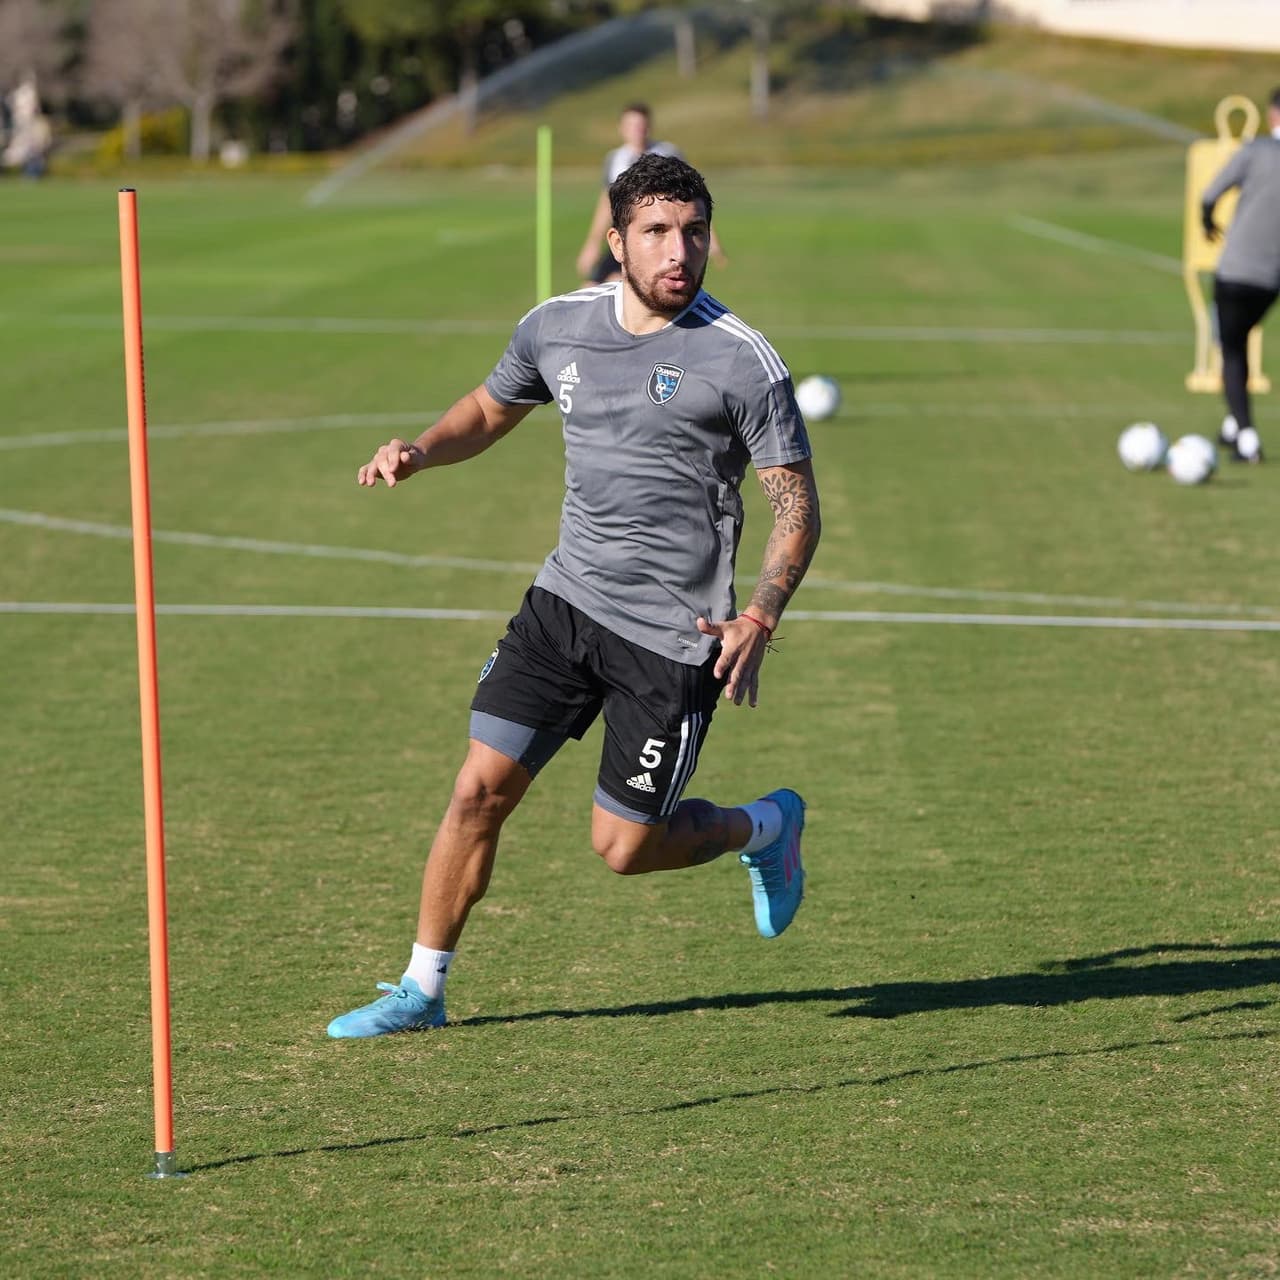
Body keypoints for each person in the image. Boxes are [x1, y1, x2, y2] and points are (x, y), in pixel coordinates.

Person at [328, 153, 821, 1039]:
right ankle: (421, 990)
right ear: (617, 240)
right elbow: (487, 409)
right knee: (477, 790)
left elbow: (796, 508)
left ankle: (765, 827)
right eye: (659, 234)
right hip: (565, 603)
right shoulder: (558, 327)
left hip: (673, 638)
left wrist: (761, 613)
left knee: (624, 848)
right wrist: (421, 448)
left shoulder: (743, 362)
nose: (681, 252)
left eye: (695, 233)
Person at [1201, 86, 1280, 464]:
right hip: (1271, 280)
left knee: (1231, 349)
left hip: (1235, 272)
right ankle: (1233, 425)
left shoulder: (1256, 151)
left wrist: (1207, 224)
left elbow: (1210, 193)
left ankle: (1246, 437)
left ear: (1272, 115)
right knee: (1242, 338)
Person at [575, 103, 726, 285]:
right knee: (591, 287)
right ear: (621, 129)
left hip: (656, 236)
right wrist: (592, 244)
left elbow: (693, 198)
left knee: (633, 286)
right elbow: (606, 202)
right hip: (628, 234)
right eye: (631, 126)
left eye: (641, 125)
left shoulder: (668, 153)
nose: (637, 131)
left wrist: (710, 237)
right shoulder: (615, 159)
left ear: (649, 127)